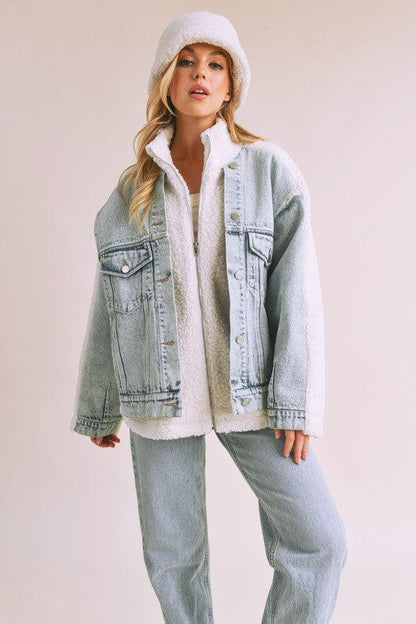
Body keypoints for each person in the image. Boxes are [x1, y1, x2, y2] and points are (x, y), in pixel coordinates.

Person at [70, 10, 347, 623]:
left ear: (230, 86)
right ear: (166, 81)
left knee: (319, 541)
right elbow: (111, 302)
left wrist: (295, 400)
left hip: (252, 388)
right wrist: (100, 401)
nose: (200, 74)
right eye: (187, 63)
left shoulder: (268, 170)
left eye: (215, 65)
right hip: (157, 391)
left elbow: (298, 292)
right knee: (173, 557)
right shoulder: (131, 191)